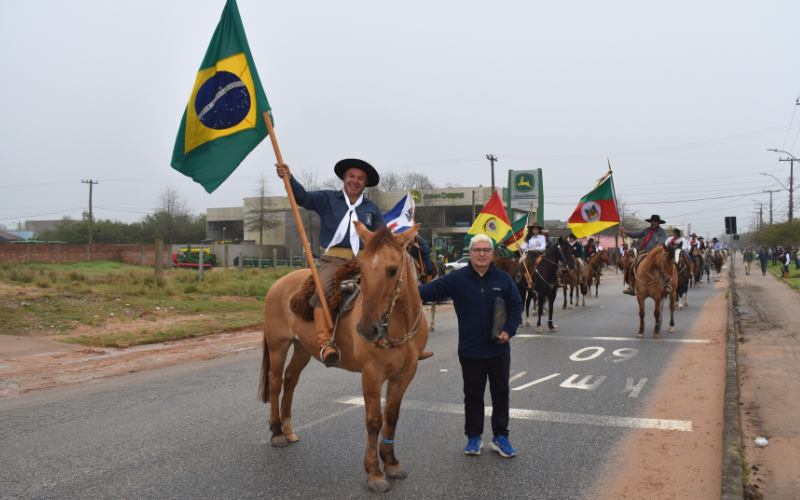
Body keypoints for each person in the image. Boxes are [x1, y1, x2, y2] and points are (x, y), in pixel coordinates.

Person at [276, 159, 432, 364]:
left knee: (389, 289)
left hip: (364, 260)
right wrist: (289, 178)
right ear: (344, 177)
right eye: (351, 176)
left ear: (365, 183)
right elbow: (302, 197)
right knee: (323, 289)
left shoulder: (372, 208)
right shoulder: (328, 198)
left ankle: (408, 342)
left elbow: (382, 238)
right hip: (334, 259)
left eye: (360, 178)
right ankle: (325, 343)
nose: (355, 181)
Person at [417, 234, 523, 458]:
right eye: (477, 250)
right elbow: (430, 291)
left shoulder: (504, 279)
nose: (482, 254)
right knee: (473, 395)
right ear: (470, 253)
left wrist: (509, 330)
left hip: (499, 349)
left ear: (493, 254)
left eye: (486, 250)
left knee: (500, 393)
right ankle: (474, 438)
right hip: (470, 349)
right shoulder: (457, 278)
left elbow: (515, 306)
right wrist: (407, 287)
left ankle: (500, 437)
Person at [619, 214, 669, 295]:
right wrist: (625, 232)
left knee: (663, 265)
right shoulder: (646, 230)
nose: (653, 223)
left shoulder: (662, 232)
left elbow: (661, 243)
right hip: (644, 252)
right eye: (652, 221)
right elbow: (636, 234)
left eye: (655, 222)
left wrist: (653, 251)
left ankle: (666, 284)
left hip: (656, 253)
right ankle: (631, 286)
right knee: (632, 265)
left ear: (658, 223)